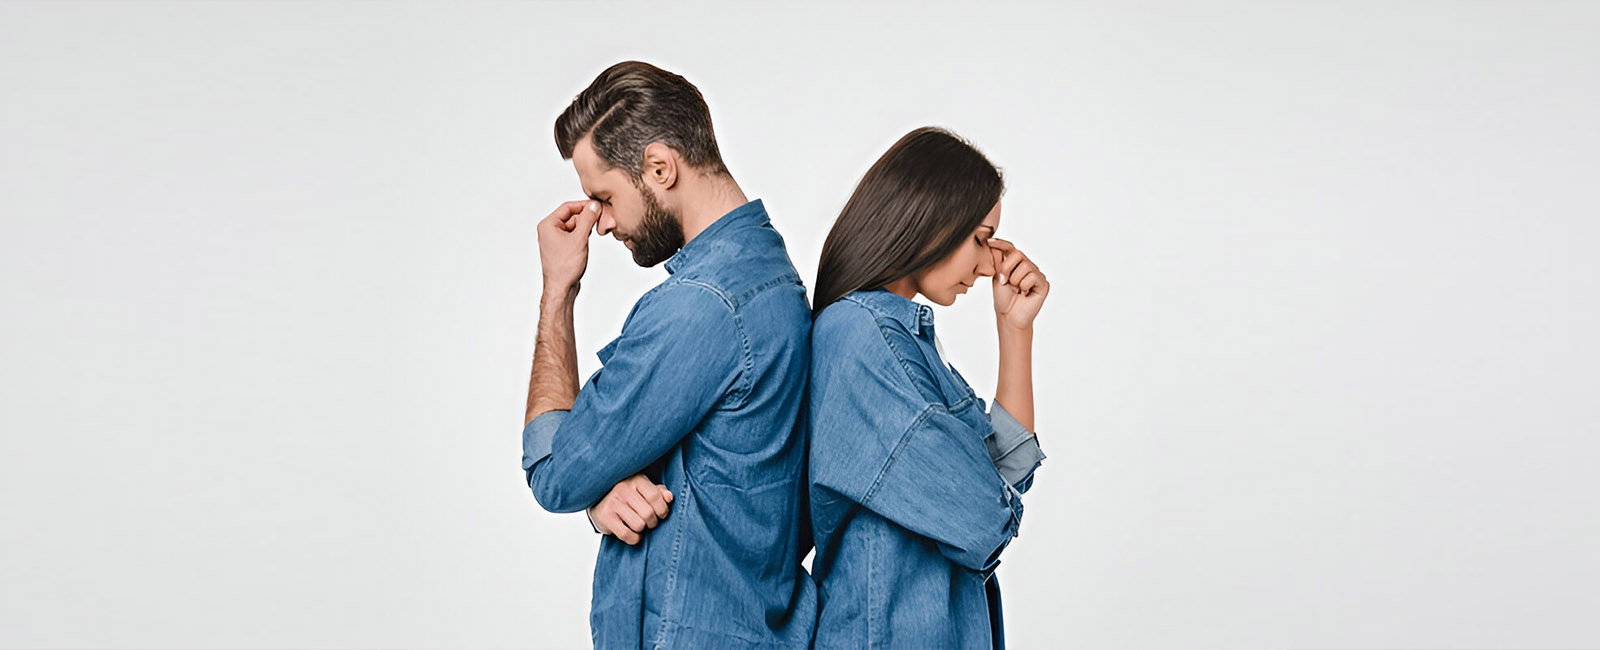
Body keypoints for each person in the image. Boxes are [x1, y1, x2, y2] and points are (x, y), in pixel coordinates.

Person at [520, 61, 815, 649]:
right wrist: (601, 492)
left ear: (660, 167)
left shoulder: (700, 306)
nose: (601, 224)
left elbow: (553, 470)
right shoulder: (771, 276)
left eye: (604, 197)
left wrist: (558, 291)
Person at [807, 127, 1050, 649]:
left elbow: (1006, 474)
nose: (988, 265)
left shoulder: (897, 340)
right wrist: (992, 498)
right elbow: (985, 518)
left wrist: (1015, 330)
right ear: (930, 219)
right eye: (980, 238)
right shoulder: (867, 338)